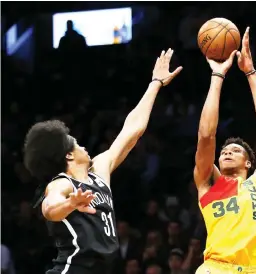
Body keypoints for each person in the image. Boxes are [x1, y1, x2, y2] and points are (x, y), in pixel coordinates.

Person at [23, 48, 182, 274]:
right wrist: (70, 204)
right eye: (77, 144)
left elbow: (132, 131)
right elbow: (49, 209)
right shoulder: (62, 184)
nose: (84, 146)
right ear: (68, 155)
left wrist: (155, 83)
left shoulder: (99, 170)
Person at [194, 27, 256, 273]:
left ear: (249, 163)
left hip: (253, 269)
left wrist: (250, 73)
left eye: (234, 151)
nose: (226, 153)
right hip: (215, 268)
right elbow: (206, 136)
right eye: (223, 152)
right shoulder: (208, 183)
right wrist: (217, 76)